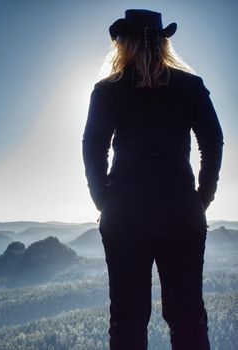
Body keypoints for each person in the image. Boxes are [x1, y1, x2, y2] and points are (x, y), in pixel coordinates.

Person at [82, 9, 224, 350]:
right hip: (181, 213)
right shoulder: (190, 87)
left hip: (125, 216)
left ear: (124, 44)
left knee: (127, 319)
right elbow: (213, 142)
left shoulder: (108, 90)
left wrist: (106, 201)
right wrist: (200, 199)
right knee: (187, 315)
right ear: (163, 43)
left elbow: (93, 149)